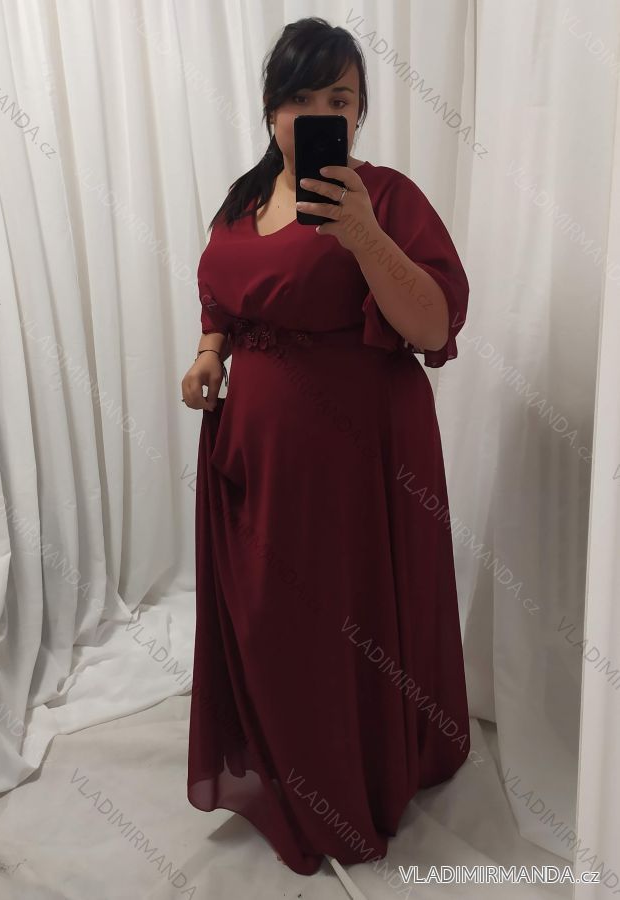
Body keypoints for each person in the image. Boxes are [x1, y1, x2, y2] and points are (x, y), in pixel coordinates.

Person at [181, 16, 471, 878]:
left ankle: (355, 777)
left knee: (349, 620)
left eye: (338, 100)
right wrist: (208, 353)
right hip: (254, 453)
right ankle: (285, 750)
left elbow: (434, 326)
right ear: (272, 109)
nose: (318, 114)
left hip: (360, 456)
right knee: (269, 613)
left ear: (360, 112)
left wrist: (363, 236)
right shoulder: (241, 200)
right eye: (300, 98)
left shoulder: (385, 197)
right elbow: (221, 298)